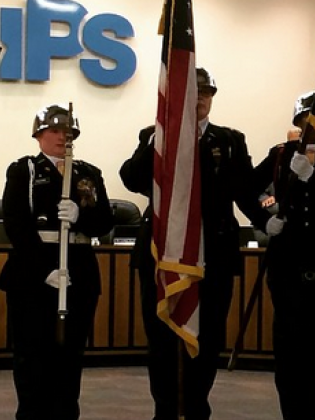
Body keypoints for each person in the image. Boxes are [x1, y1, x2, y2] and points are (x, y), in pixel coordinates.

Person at [120, 67, 270, 420]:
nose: (200, 99)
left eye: (206, 93)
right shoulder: (153, 134)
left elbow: (244, 190)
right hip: (163, 255)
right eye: (193, 92)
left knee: (208, 338)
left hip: (213, 253)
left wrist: (268, 220)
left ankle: (197, 407)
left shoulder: (230, 140)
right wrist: (159, 139)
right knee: (162, 339)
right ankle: (166, 410)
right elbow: (131, 179)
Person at [0, 104, 114, 420]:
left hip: (79, 271)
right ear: (38, 135)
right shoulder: (25, 171)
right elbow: (16, 225)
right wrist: (43, 270)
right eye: (54, 130)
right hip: (35, 273)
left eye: (68, 131)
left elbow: (104, 221)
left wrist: (81, 215)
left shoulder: (88, 173)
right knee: (31, 355)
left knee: (70, 354)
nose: (63, 136)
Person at [253, 90, 315, 420]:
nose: (312, 129)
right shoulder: (281, 154)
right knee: (289, 355)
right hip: (288, 271)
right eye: (306, 122)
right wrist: (265, 219)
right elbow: (249, 187)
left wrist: (313, 179)